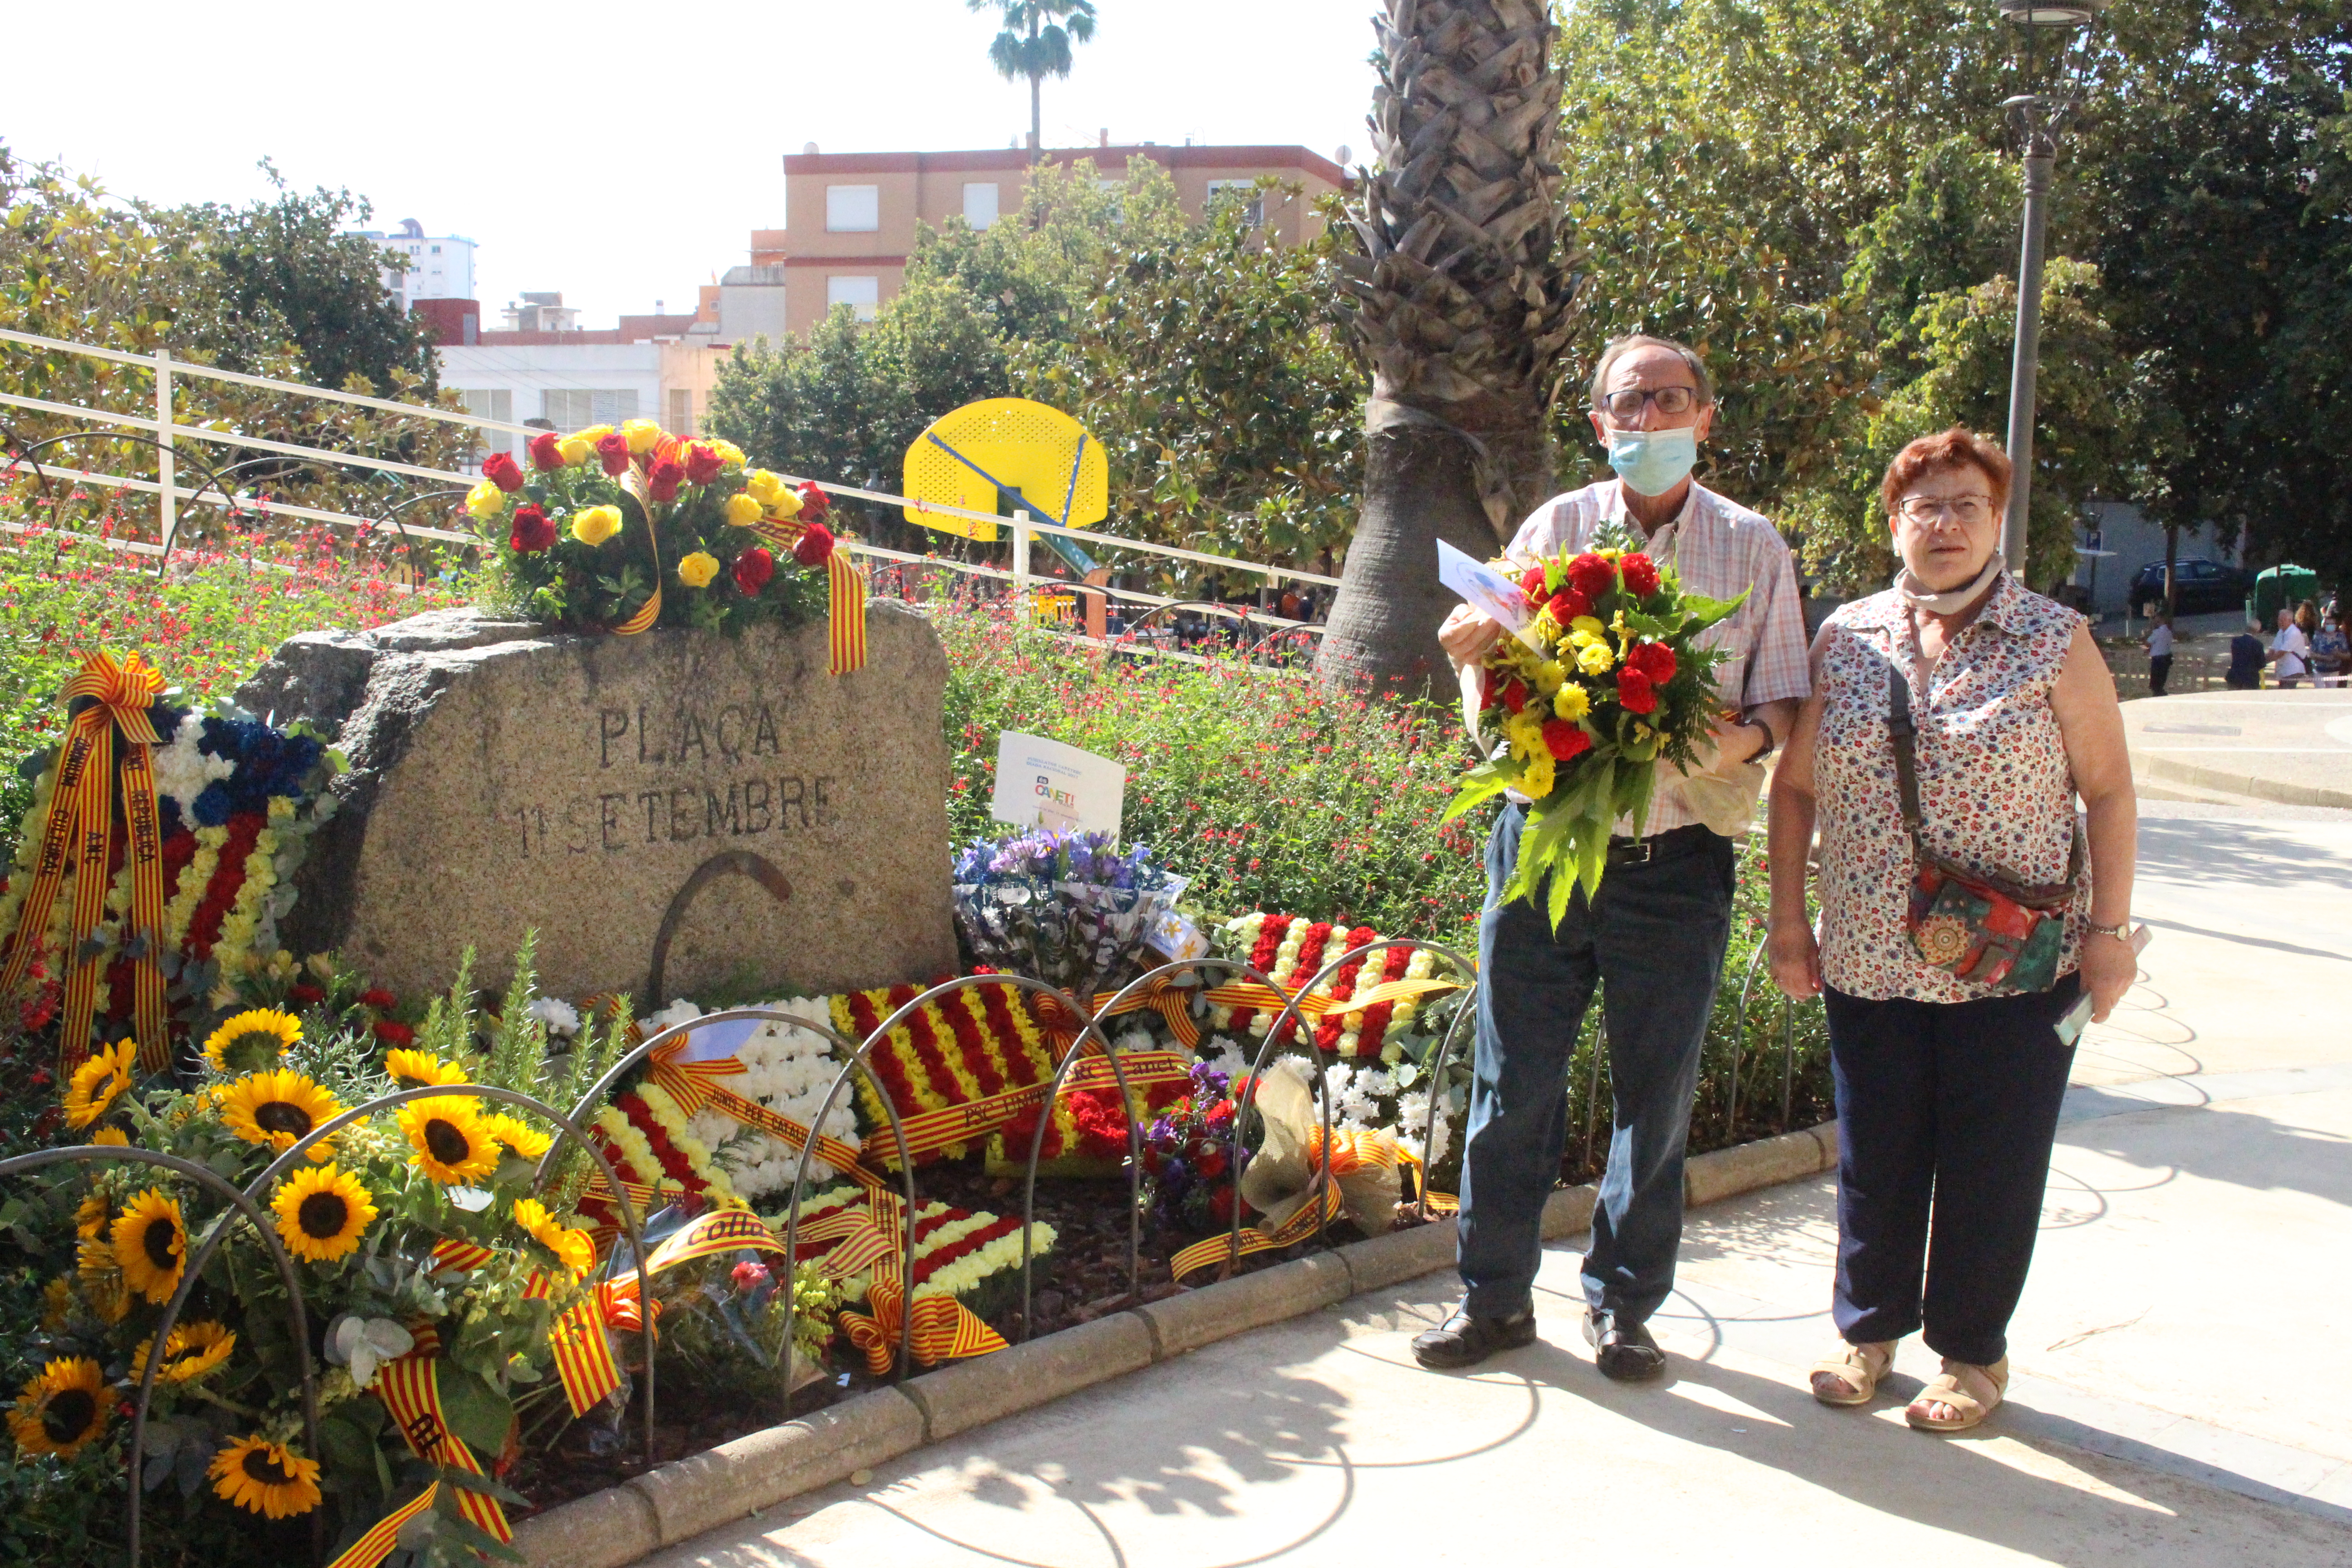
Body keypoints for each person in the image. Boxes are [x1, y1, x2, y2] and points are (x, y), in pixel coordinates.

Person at [1417, 334, 1810, 1377]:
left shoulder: (1753, 547)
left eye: (1673, 398)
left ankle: (1623, 1305)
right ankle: (1491, 1297)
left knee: (1658, 1092)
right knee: (1512, 1085)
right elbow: (1494, 647)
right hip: (1544, 845)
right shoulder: (1555, 527)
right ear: (1599, 423)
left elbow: (1781, 695)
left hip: (1676, 860)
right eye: (1631, 402)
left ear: (1705, 417)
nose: (1652, 416)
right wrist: (1474, 640)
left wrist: (1741, 737)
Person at [1766, 428, 2137, 1434]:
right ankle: (1867, 1333)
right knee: (1876, 1153)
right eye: (1923, 506)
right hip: (1871, 956)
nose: (1943, 524)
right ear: (1893, 522)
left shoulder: (2053, 639)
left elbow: (2106, 792)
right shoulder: (1845, 638)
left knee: (1993, 1162)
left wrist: (2111, 931)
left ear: (1997, 522)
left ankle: (1971, 1357)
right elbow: (1794, 789)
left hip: (2013, 964)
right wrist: (1790, 921)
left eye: (1965, 505)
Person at [2270, 607, 2311, 688]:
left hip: (2293, 670)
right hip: (2283, 671)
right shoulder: (2280, 632)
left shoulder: (2294, 633)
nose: (2280, 622)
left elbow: (2281, 653)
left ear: (2290, 621)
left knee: (2286, 692)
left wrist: (2262, 662)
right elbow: (2273, 650)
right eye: (2279, 620)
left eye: (2283, 620)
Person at [2225, 619, 2266, 689]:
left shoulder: (2236, 641)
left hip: (2235, 677)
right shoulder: (2258, 644)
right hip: (2251, 680)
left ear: (2246, 629)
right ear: (2257, 631)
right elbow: (2261, 664)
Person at [2313, 608, 2349, 680]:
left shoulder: (2341, 637)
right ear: (2324, 625)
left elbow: (2348, 655)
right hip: (2319, 670)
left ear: (2336, 625)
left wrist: (2338, 654)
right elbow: (2311, 654)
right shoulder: (2318, 636)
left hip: (2335, 670)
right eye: (2328, 624)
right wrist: (2324, 658)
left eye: (2332, 624)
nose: (2330, 626)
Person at [2144, 612, 2174, 697]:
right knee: (2163, 675)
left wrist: (2146, 635)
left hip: (2158, 658)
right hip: (2166, 656)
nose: (2154, 620)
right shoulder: (2169, 632)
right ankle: (2160, 690)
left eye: (2156, 618)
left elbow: (2148, 643)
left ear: (2160, 619)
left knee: (2156, 676)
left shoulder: (2157, 632)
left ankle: (2157, 691)